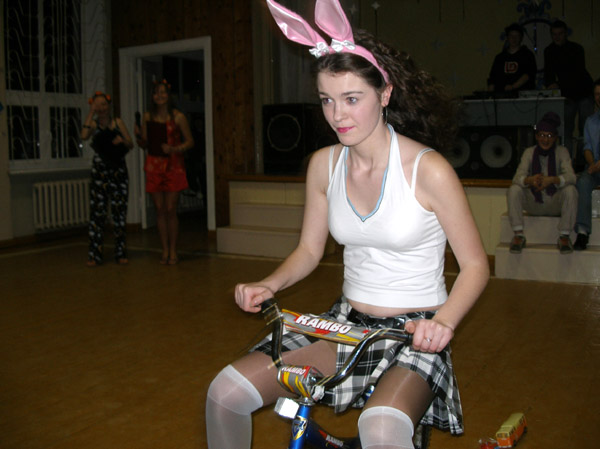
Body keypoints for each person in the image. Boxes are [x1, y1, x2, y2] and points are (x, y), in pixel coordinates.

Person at [205, 1, 489, 448]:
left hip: (414, 332)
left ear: (385, 94)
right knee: (225, 393)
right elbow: (309, 251)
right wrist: (269, 283)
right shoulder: (324, 165)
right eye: (327, 100)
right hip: (345, 325)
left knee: (380, 429)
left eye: (352, 99)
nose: (337, 115)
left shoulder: (428, 170)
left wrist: (444, 322)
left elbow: (475, 265)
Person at [135, 80, 194, 265]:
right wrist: (139, 136)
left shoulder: (178, 117)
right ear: (152, 96)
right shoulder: (148, 117)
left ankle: (173, 250)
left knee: (170, 209)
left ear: (168, 95)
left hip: (174, 166)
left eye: (162, 92)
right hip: (154, 165)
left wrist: (175, 149)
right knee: (160, 210)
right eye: (156, 92)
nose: (159, 96)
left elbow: (190, 141)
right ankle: (165, 250)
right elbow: (144, 143)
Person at [507, 111, 578, 254]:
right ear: (537, 136)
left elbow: (572, 177)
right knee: (514, 189)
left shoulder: (562, 151)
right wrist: (530, 180)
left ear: (555, 138)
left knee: (571, 190)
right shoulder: (529, 152)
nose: (545, 140)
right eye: (542, 135)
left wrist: (552, 180)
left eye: (549, 136)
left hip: (554, 202)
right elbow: (517, 177)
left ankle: (564, 236)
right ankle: (518, 235)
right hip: (534, 201)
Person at [81, 91, 134, 266]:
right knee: (97, 215)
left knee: (119, 214)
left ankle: (120, 252)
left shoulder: (118, 122)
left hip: (118, 172)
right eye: (97, 105)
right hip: (99, 174)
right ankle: (94, 254)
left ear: (109, 106)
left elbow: (130, 144)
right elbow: (83, 135)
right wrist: (90, 112)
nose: (101, 108)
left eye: (103, 104)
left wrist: (122, 141)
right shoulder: (94, 124)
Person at [544, 20, 594, 158]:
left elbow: (577, 73)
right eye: (554, 34)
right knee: (566, 129)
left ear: (566, 33)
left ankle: (583, 160)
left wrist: (557, 84)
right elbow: (548, 73)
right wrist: (550, 84)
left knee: (585, 129)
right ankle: (567, 161)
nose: (557, 37)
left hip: (583, 92)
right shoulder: (549, 51)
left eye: (560, 34)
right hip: (566, 96)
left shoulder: (576, 49)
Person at [573, 79, 600, 250]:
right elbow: (587, 147)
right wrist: (593, 164)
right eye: (597, 94)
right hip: (595, 168)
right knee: (582, 181)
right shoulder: (590, 121)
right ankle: (582, 232)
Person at [487, 23, 537, 94]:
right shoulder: (500, 58)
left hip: (523, 95)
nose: (514, 39)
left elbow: (528, 75)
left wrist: (513, 87)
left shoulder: (527, 55)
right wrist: (490, 95)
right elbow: (493, 78)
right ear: (507, 37)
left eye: (517, 36)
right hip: (502, 95)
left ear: (521, 38)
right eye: (511, 36)